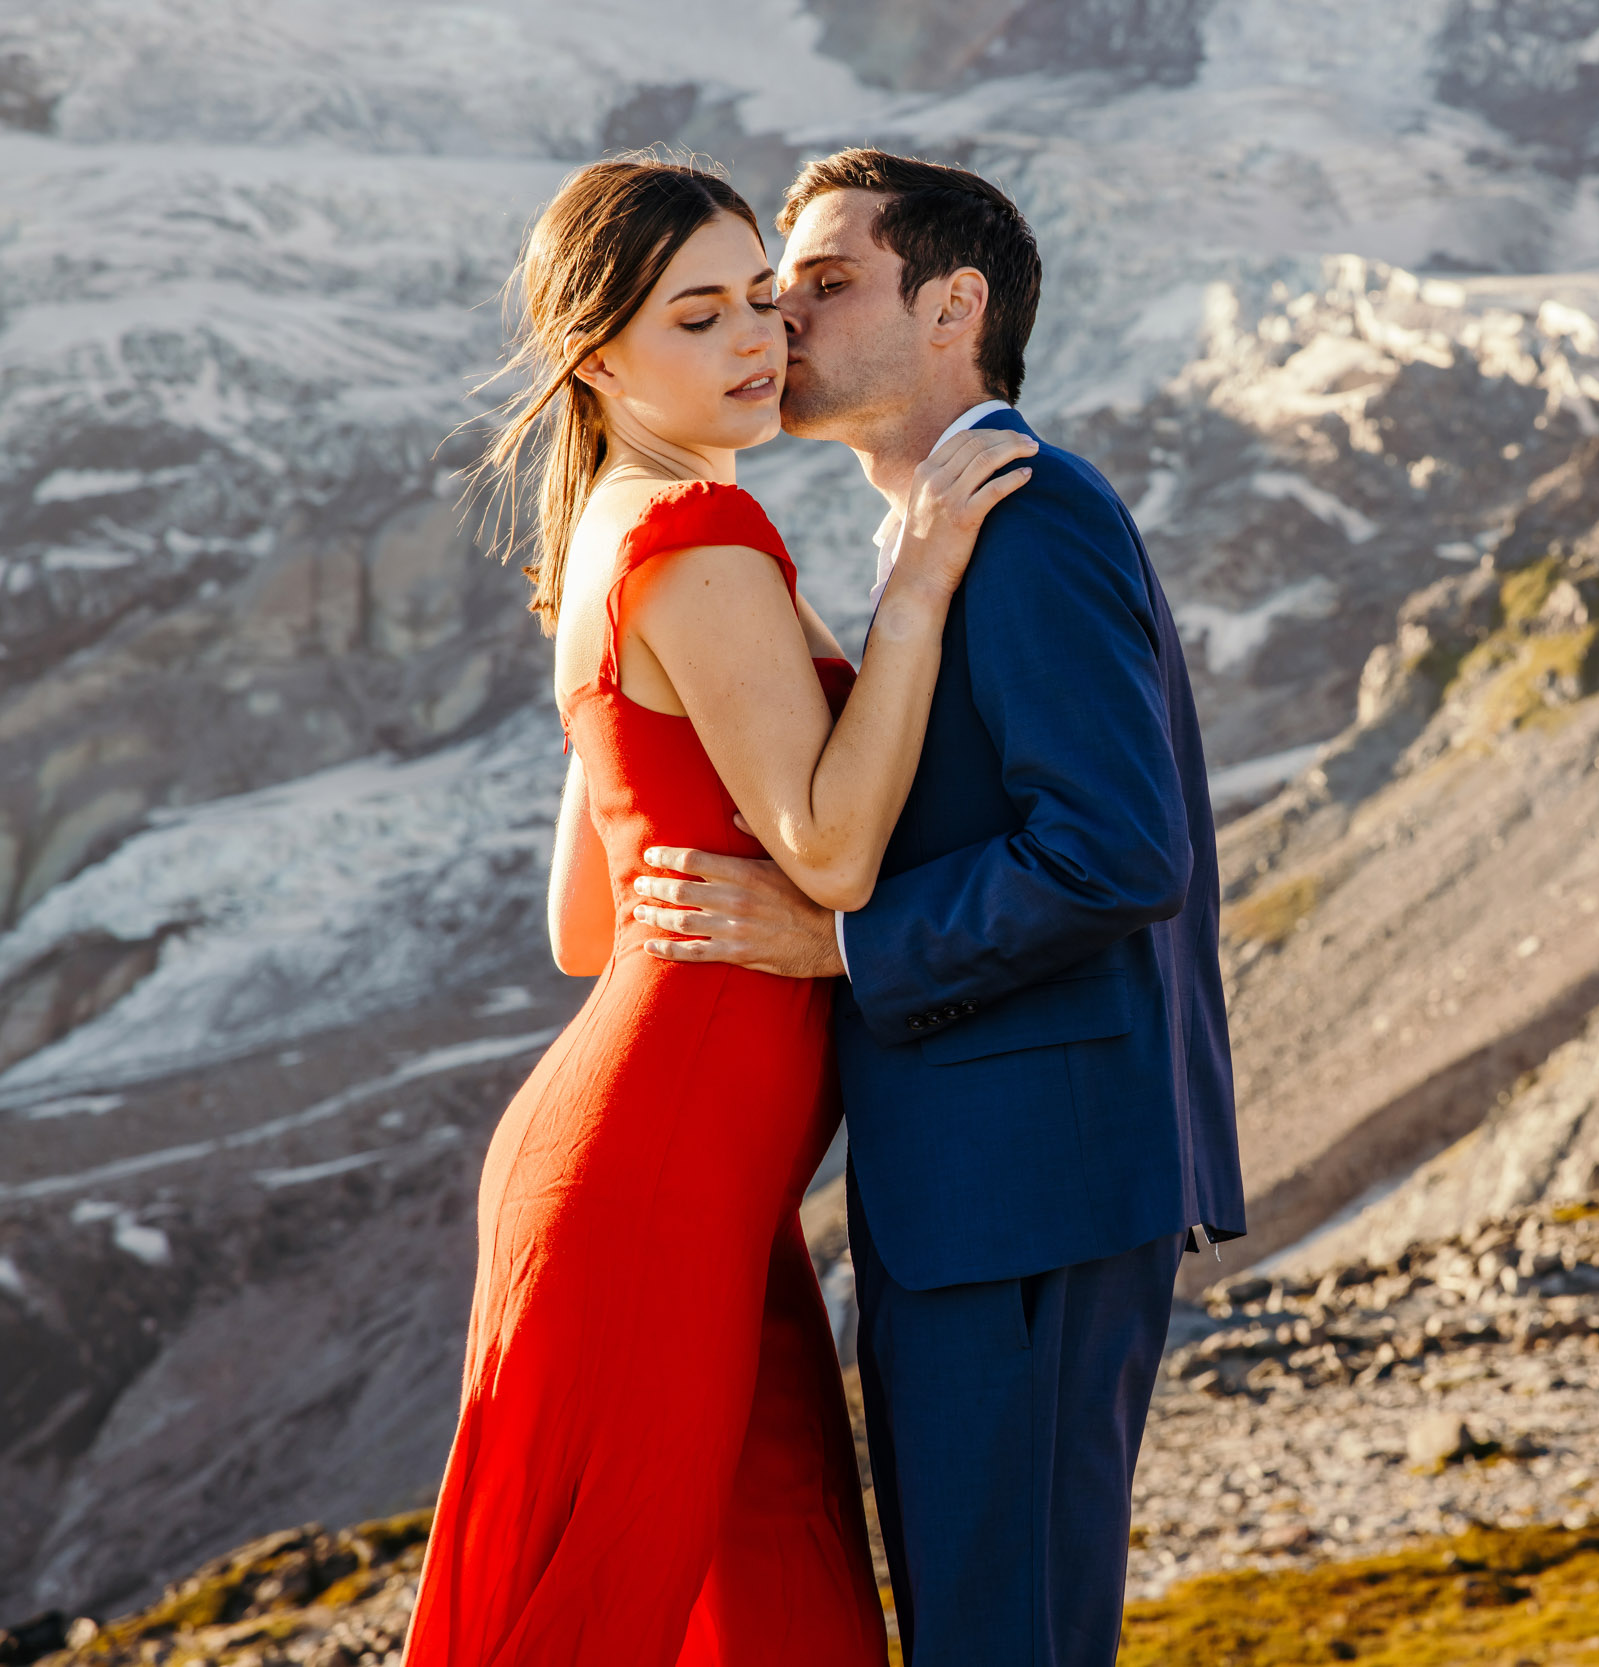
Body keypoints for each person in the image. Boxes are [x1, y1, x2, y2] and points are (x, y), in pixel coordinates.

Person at [402, 156, 1035, 1666]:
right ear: (597, 354)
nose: (757, 340)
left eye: (762, 299)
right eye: (699, 316)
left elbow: (585, 922)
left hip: (663, 1163)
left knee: (765, 1602)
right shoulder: (697, 540)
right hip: (666, 1169)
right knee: (615, 1612)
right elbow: (824, 850)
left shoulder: (618, 537)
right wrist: (922, 590)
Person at [630, 150, 1246, 1664]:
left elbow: (1113, 851)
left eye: (826, 285)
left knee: (1005, 1636)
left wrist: (838, 939)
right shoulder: (945, 531)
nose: (780, 319)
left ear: (954, 306)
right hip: (974, 1191)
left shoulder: (1032, 518)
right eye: (775, 289)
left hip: (1031, 1191)